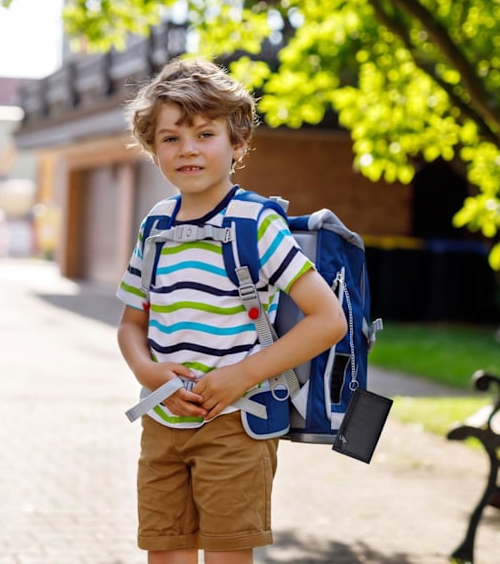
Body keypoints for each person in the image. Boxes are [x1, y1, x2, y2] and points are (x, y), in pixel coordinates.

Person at [116, 58, 347, 564]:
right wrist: (148, 372)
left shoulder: (256, 222)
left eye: (205, 133)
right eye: (171, 138)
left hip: (236, 424)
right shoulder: (155, 226)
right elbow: (132, 323)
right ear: (152, 148)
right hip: (164, 422)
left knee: (226, 556)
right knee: (166, 554)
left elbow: (329, 320)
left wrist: (238, 377)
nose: (188, 149)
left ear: (237, 144)